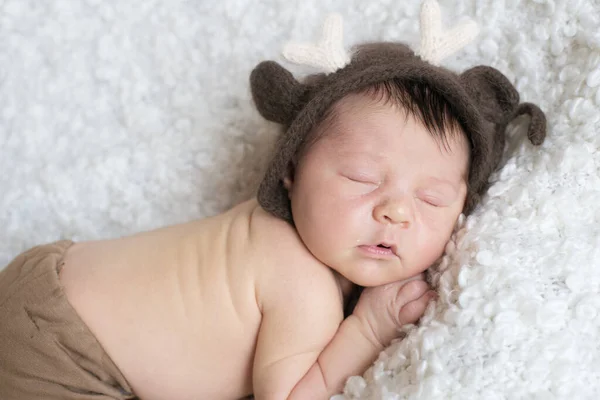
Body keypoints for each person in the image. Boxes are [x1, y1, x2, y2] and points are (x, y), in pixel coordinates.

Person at [0, 2, 546, 399]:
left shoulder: (264, 235)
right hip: (63, 352)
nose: (395, 211)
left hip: (61, 278)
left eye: (430, 199)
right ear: (289, 171)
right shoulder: (298, 278)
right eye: (360, 178)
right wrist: (369, 330)